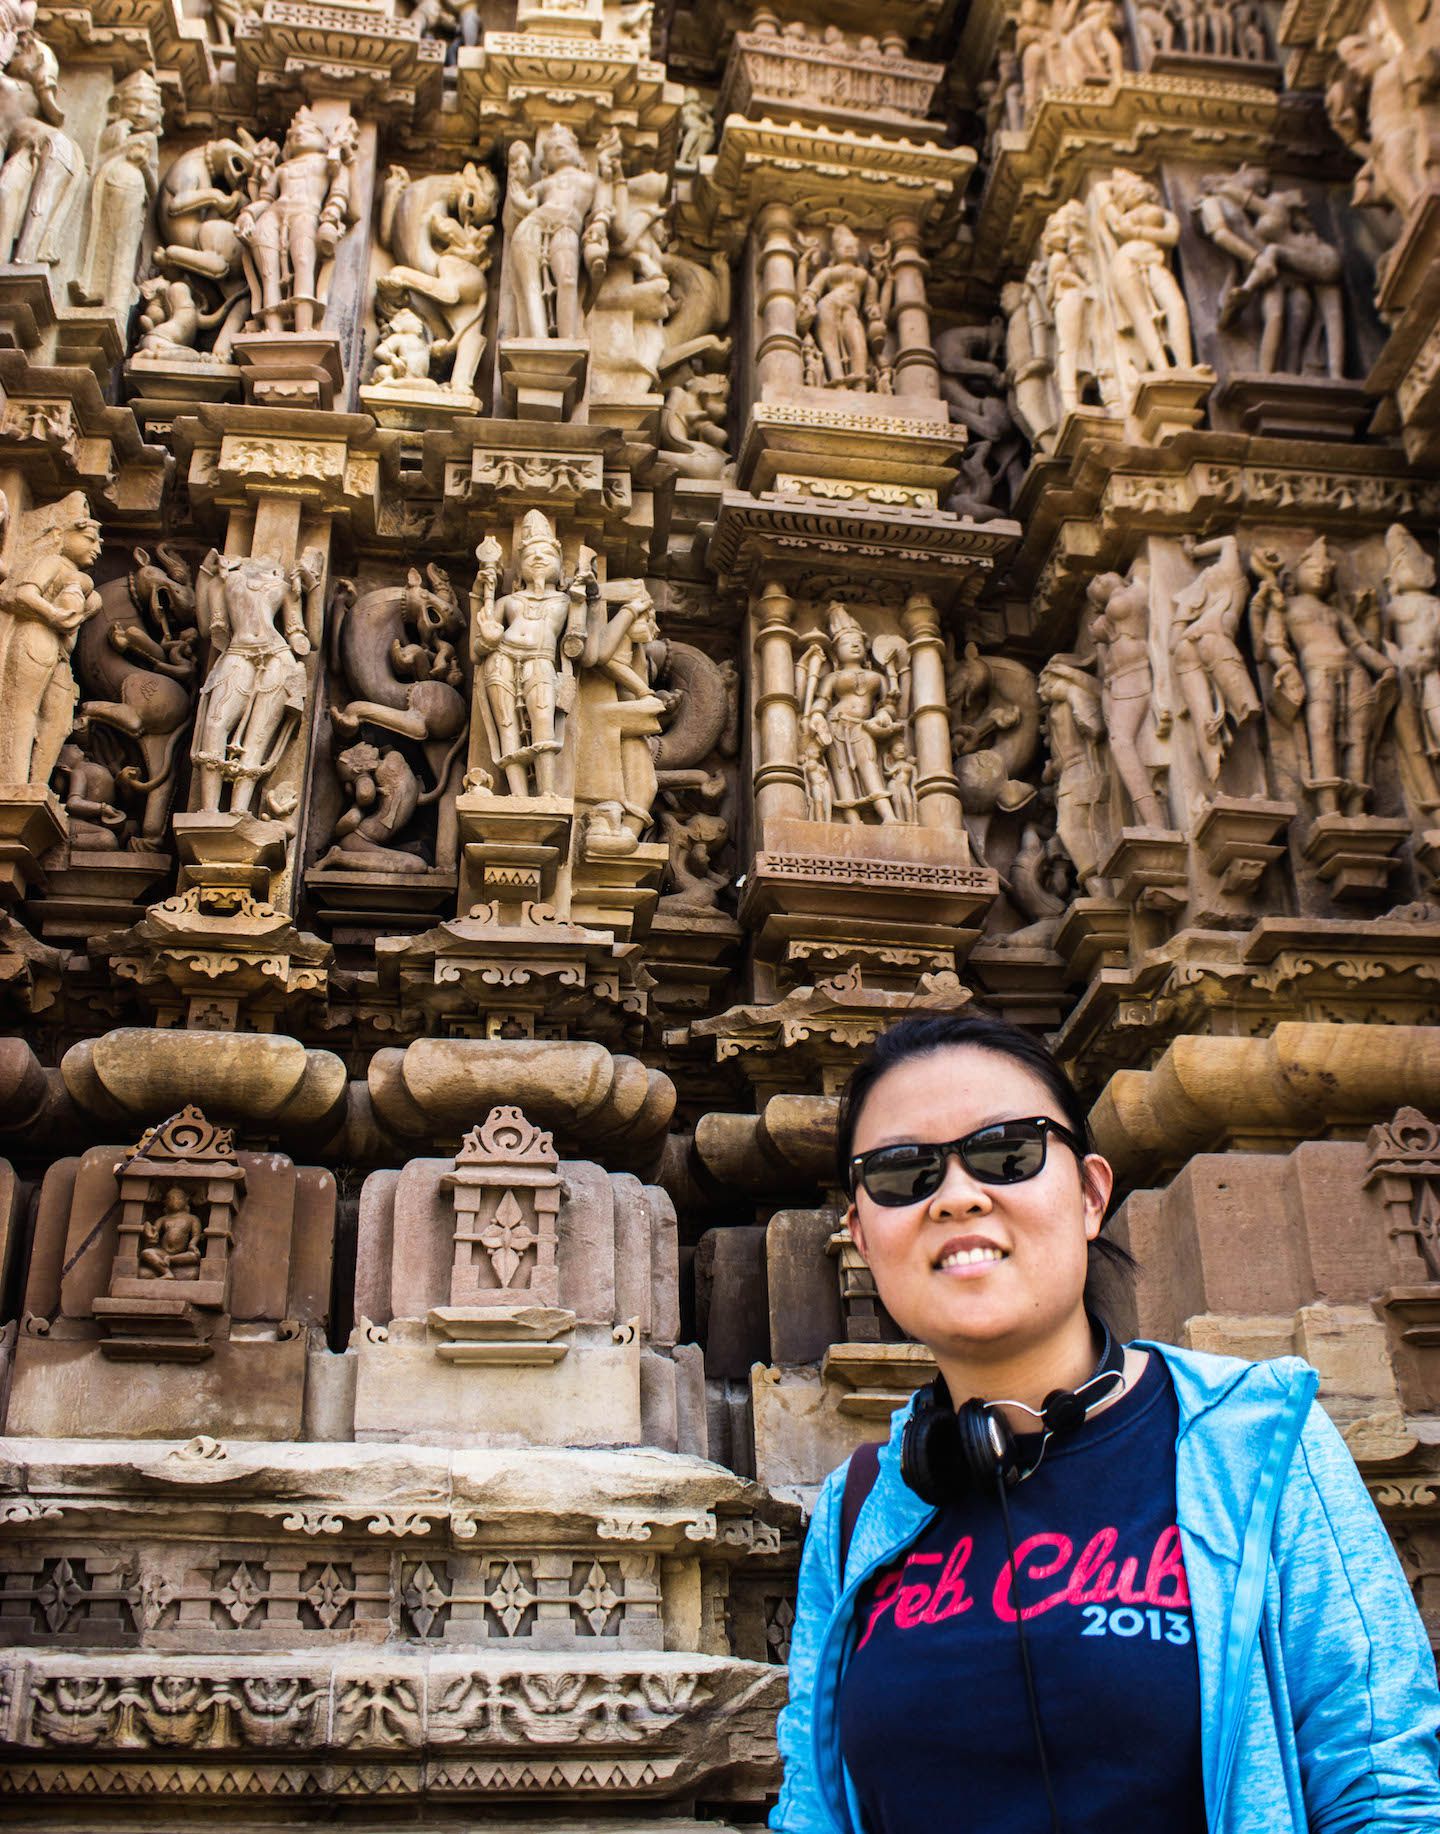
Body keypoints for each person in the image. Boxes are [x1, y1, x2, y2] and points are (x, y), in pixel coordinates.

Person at [773, 1010, 1440, 1834]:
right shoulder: (858, 1510)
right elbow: (811, 1810)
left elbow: (1381, 1791)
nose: (957, 1197)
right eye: (902, 1174)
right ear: (861, 1238)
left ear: (1091, 1194)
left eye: (1006, 1152)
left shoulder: (1257, 1441)